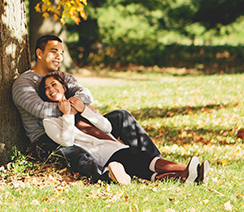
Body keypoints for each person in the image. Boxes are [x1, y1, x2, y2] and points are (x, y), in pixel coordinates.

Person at [10, 33, 206, 184]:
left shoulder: (62, 77)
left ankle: (158, 163)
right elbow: (39, 109)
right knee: (75, 150)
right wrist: (71, 107)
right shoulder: (24, 83)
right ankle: (107, 175)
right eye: (54, 51)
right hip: (47, 137)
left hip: (78, 124)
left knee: (121, 116)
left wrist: (80, 106)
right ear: (39, 53)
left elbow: (86, 94)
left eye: (61, 52)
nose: (59, 56)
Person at [36, 72, 196, 184]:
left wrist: (84, 110)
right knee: (142, 159)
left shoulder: (82, 106)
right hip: (103, 154)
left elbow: (107, 127)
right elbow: (67, 141)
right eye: (46, 88)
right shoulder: (50, 121)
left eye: (54, 84)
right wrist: (67, 115)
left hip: (115, 146)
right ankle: (186, 169)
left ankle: (183, 177)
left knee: (142, 170)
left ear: (64, 87)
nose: (51, 89)